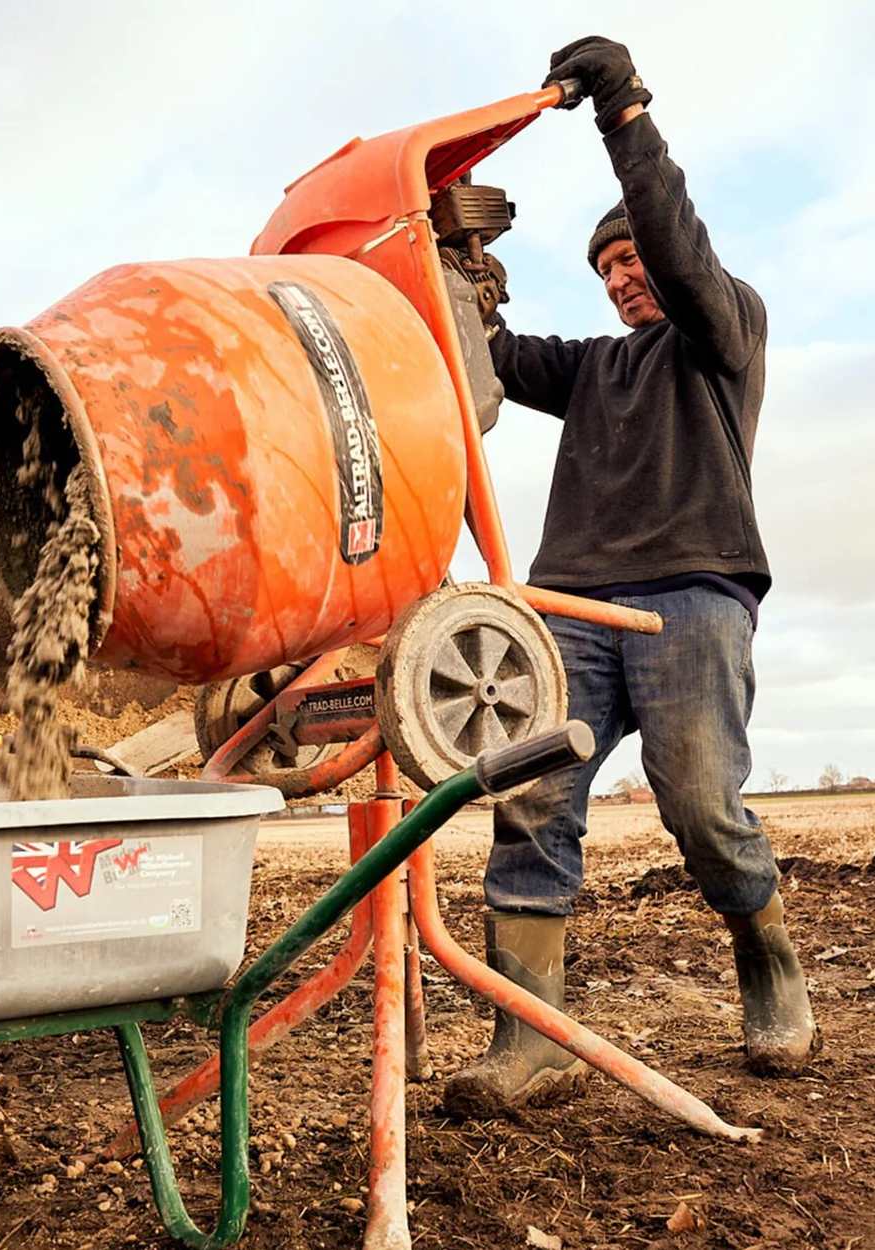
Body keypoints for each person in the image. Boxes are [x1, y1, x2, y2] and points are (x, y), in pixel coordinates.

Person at [444, 36, 817, 1118]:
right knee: (530, 799)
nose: (619, 278)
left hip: (693, 599)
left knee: (698, 802)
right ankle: (531, 1035)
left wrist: (623, 117)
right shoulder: (596, 366)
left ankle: (770, 963)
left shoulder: (721, 328)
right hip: (570, 608)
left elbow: (670, 236)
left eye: (629, 260)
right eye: (603, 270)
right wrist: (459, 275)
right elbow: (498, 357)